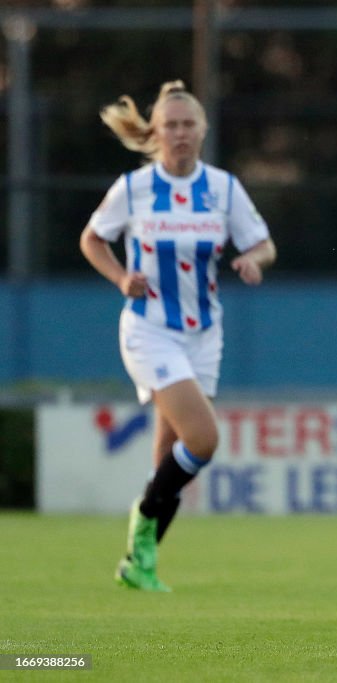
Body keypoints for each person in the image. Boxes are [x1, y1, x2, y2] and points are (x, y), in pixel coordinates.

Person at [80, 80, 276, 592]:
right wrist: (121, 277)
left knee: (169, 453)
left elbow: (264, 245)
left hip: (204, 333)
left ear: (203, 130)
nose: (180, 133)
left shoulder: (223, 188)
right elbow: (92, 238)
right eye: (171, 125)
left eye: (189, 124)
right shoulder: (134, 189)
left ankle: (138, 564)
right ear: (156, 132)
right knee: (204, 439)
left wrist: (252, 260)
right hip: (149, 330)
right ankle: (144, 517)